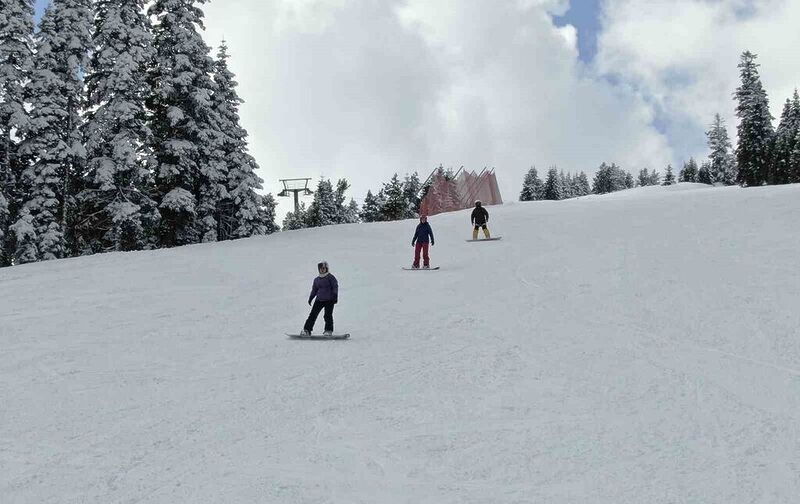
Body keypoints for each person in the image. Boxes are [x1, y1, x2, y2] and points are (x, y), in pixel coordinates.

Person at [302, 261, 338, 335]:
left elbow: (335, 286)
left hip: (329, 300)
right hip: (319, 300)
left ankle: (328, 330)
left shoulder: (330, 277)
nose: (322, 270)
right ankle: (307, 330)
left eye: (324, 268)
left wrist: (335, 295)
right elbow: (314, 289)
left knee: (327, 315)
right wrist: (311, 297)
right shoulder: (317, 279)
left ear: (326, 269)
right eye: (320, 268)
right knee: (313, 315)